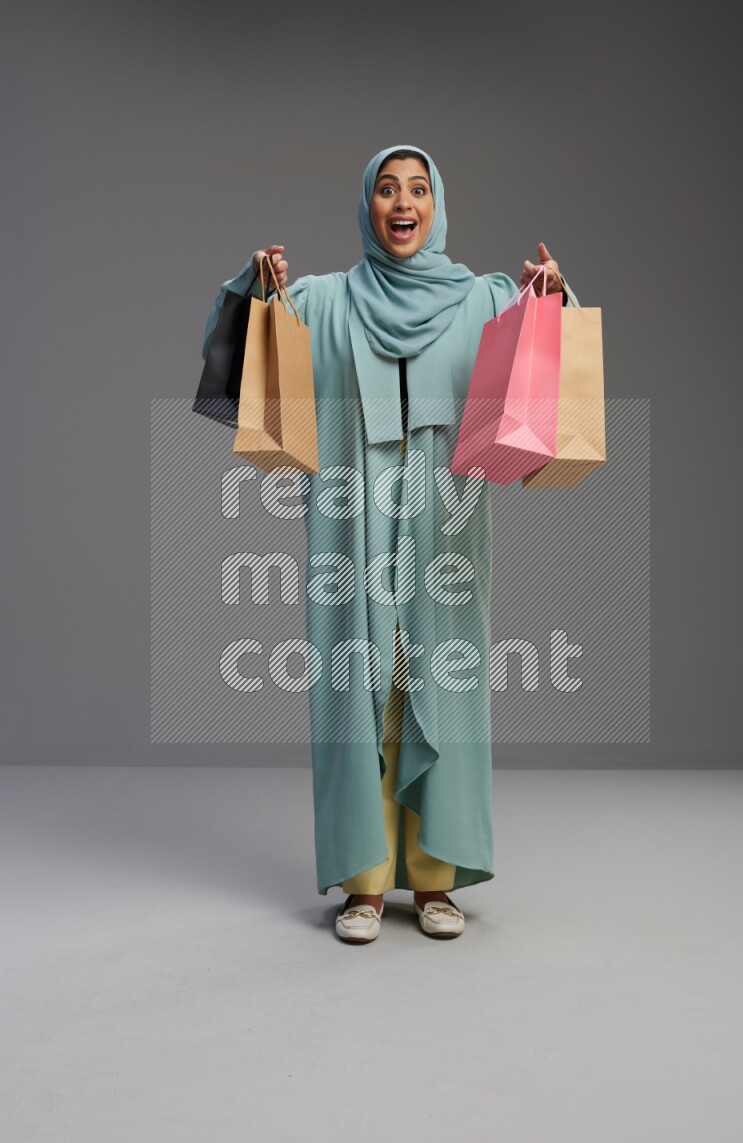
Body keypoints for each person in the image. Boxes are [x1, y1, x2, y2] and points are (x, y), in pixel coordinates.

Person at [201, 144, 577, 944]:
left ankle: (437, 877)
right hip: (350, 525)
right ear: (367, 207)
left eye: (416, 189)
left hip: (444, 528)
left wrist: (552, 301)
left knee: (437, 686)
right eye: (385, 189)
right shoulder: (324, 301)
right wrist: (256, 294)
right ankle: (365, 886)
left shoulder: (484, 301)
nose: (401, 202)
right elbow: (249, 369)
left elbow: (547, 377)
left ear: (437, 204)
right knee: (358, 691)